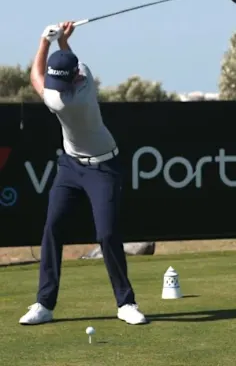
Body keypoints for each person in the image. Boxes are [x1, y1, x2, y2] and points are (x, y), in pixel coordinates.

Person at [19, 22, 147, 325]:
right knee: (53, 226)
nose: (57, 88)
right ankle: (44, 304)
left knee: (106, 234)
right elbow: (55, 69)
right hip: (70, 166)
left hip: (104, 168)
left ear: (76, 77)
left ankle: (126, 303)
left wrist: (44, 41)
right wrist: (62, 41)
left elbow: (35, 76)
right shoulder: (73, 79)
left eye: (62, 82)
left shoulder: (74, 95)